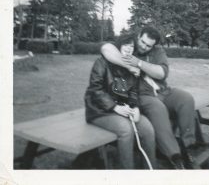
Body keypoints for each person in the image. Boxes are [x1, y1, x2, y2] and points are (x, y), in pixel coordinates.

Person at [100, 26, 198, 169]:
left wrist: (138, 63)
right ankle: (174, 156)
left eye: (148, 45)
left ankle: (188, 147)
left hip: (164, 91)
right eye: (142, 42)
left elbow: (161, 73)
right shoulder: (129, 46)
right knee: (158, 109)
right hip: (143, 94)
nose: (144, 47)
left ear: (154, 45)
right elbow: (106, 48)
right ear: (138, 35)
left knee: (186, 99)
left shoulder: (157, 51)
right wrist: (127, 64)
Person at [84, 34, 156, 169]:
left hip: (123, 109)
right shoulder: (101, 62)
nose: (129, 49)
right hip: (100, 111)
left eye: (132, 46)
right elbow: (95, 90)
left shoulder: (130, 67)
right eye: (126, 45)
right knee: (125, 129)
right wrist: (114, 107)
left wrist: (135, 107)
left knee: (147, 128)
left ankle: (151, 171)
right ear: (118, 46)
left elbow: (134, 91)